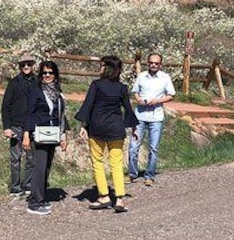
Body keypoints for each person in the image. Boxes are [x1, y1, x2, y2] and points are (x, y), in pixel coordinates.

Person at [75, 55, 138, 213]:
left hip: (97, 129)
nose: (99, 68)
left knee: (98, 162)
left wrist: (83, 125)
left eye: (101, 65)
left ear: (107, 68)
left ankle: (104, 196)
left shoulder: (96, 85)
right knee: (116, 163)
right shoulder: (122, 88)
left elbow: (88, 105)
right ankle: (120, 199)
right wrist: (134, 128)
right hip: (116, 129)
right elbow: (128, 110)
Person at [22, 60, 68, 216]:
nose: (47, 76)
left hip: (53, 133)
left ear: (55, 75)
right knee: (39, 167)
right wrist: (26, 135)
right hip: (38, 133)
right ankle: (35, 202)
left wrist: (63, 135)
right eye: (44, 73)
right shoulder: (36, 91)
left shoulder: (58, 93)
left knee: (47, 167)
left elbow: (61, 115)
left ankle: (41, 195)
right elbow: (30, 113)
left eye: (50, 73)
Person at [127, 53, 176, 186]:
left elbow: (171, 95)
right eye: (151, 63)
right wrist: (139, 100)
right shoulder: (141, 76)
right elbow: (135, 91)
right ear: (147, 63)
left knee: (153, 148)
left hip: (156, 116)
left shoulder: (165, 77)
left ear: (160, 64)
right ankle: (132, 173)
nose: (153, 65)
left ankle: (150, 175)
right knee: (133, 146)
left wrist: (157, 101)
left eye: (156, 63)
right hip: (140, 116)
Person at [1, 53, 37, 198]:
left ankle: (28, 185)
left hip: (33, 125)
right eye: (23, 65)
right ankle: (15, 188)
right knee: (15, 158)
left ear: (33, 65)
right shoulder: (14, 83)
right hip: (16, 125)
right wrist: (7, 127)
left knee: (31, 157)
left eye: (28, 64)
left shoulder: (37, 82)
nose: (26, 67)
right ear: (19, 67)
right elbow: (5, 106)